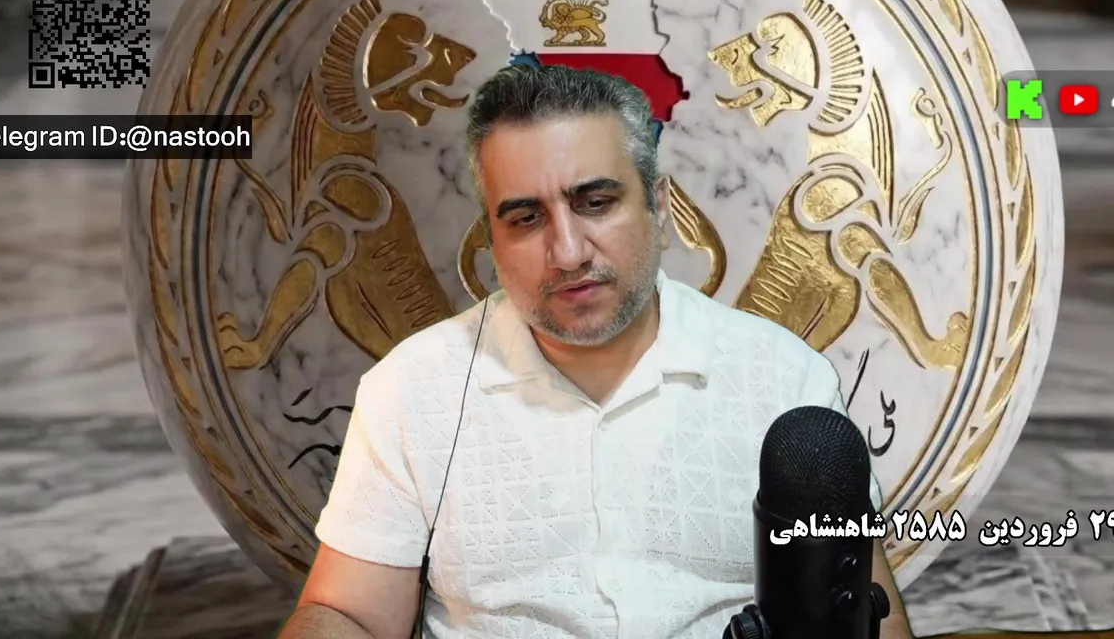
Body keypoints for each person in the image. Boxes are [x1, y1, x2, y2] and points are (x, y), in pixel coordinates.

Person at [278, 65, 914, 639]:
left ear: (659, 206)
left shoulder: (783, 379)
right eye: (526, 218)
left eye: (596, 203)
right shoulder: (412, 389)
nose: (568, 252)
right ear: (490, 238)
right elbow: (351, 614)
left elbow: (865, 618)